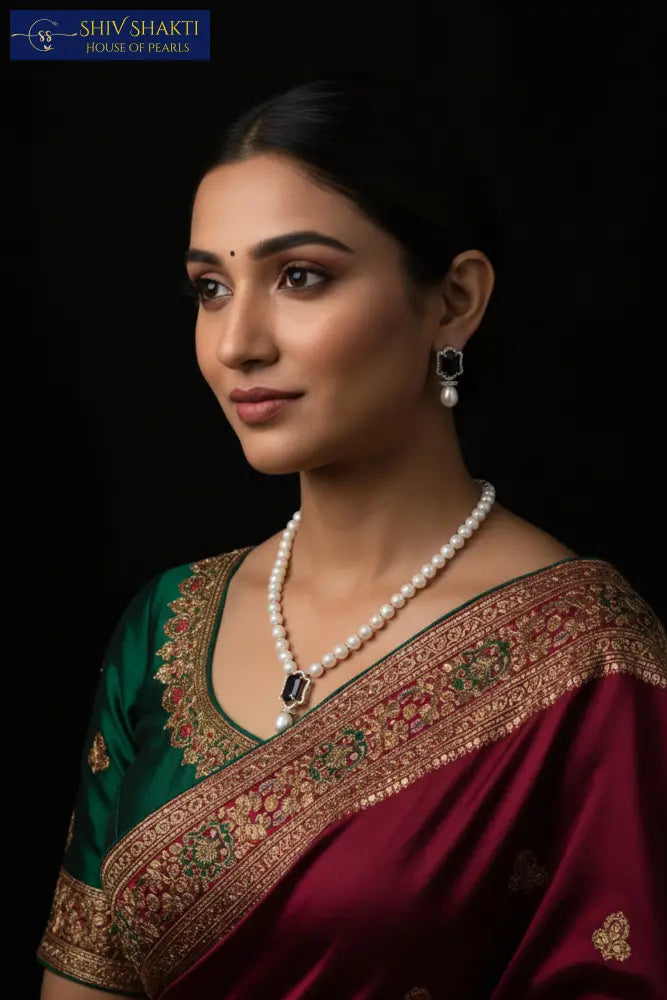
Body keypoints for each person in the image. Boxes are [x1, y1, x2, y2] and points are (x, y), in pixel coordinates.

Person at [37, 77, 667, 1000]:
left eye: (300, 277)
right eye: (210, 288)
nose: (237, 342)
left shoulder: (591, 658)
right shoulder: (168, 623)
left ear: (453, 300)